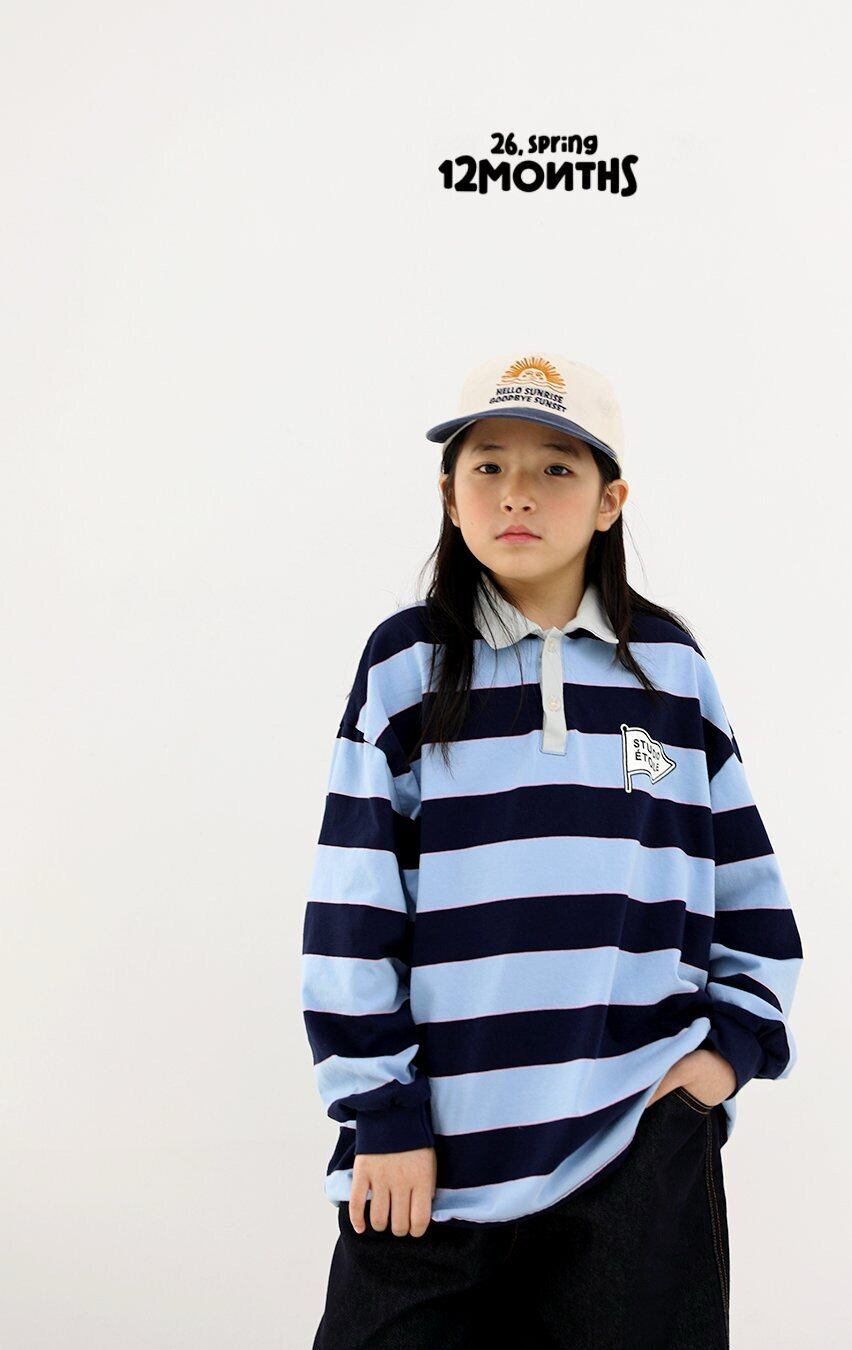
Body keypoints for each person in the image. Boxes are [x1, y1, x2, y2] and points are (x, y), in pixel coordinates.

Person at [301, 350, 803, 1348]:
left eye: (556, 467)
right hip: (429, 1167)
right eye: (487, 465)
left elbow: (747, 887)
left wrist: (724, 1058)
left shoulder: (670, 672)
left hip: (637, 1159)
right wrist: (381, 1113)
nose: (517, 492)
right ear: (448, 494)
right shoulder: (405, 667)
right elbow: (353, 906)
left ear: (610, 501)